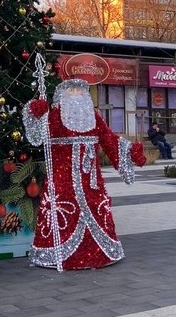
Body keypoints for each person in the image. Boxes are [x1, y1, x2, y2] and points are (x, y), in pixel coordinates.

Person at [24, 78, 146, 270]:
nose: (76, 95)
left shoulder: (94, 118)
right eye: (71, 91)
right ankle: (56, 254)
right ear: (61, 96)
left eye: (80, 91)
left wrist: (130, 152)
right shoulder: (54, 116)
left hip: (91, 183)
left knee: (96, 209)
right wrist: (36, 113)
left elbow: (109, 140)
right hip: (62, 183)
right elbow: (38, 137)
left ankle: (98, 253)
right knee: (64, 213)